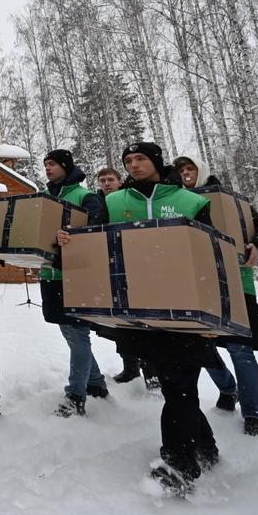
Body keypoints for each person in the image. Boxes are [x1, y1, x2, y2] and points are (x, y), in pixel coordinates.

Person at [60, 142, 219, 496]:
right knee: (176, 383)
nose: (134, 164)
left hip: (186, 306)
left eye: (140, 159)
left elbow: (209, 258)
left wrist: (214, 316)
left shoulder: (191, 201)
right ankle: (204, 446)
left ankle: (179, 464)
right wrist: (66, 243)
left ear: (157, 162)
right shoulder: (114, 203)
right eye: (128, 160)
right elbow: (94, 245)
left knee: (179, 383)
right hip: (141, 307)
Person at [174, 154, 258, 438]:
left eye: (190, 168)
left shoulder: (228, 201)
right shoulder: (175, 202)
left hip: (235, 285)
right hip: (196, 286)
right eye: (181, 170)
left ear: (202, 170)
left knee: (240, 351)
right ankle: (227, 388)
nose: (185, 173)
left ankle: (253, 413)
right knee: (203, 350)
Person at [40, 150, 108, 418]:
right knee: (69, 332)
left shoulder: (85, 197)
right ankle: (96, 382)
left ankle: (76, 394)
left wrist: (68, 237)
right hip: (50, 275)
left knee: (77, 334)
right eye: (45, 164)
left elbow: (95, 232)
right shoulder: (48, 197)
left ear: (66, 167)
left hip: (76, 275)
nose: (48, 168)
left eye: (53, 164)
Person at [96, 166, 156, 389]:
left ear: (120, 182)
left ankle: (152, 372)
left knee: (143, 322)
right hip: (112, 265)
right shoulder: (99, 204)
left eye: (110, 179)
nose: (106, 183)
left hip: (139, 265)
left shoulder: (131, 200)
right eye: (102, 180)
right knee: (121, 322)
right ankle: (130, 367)